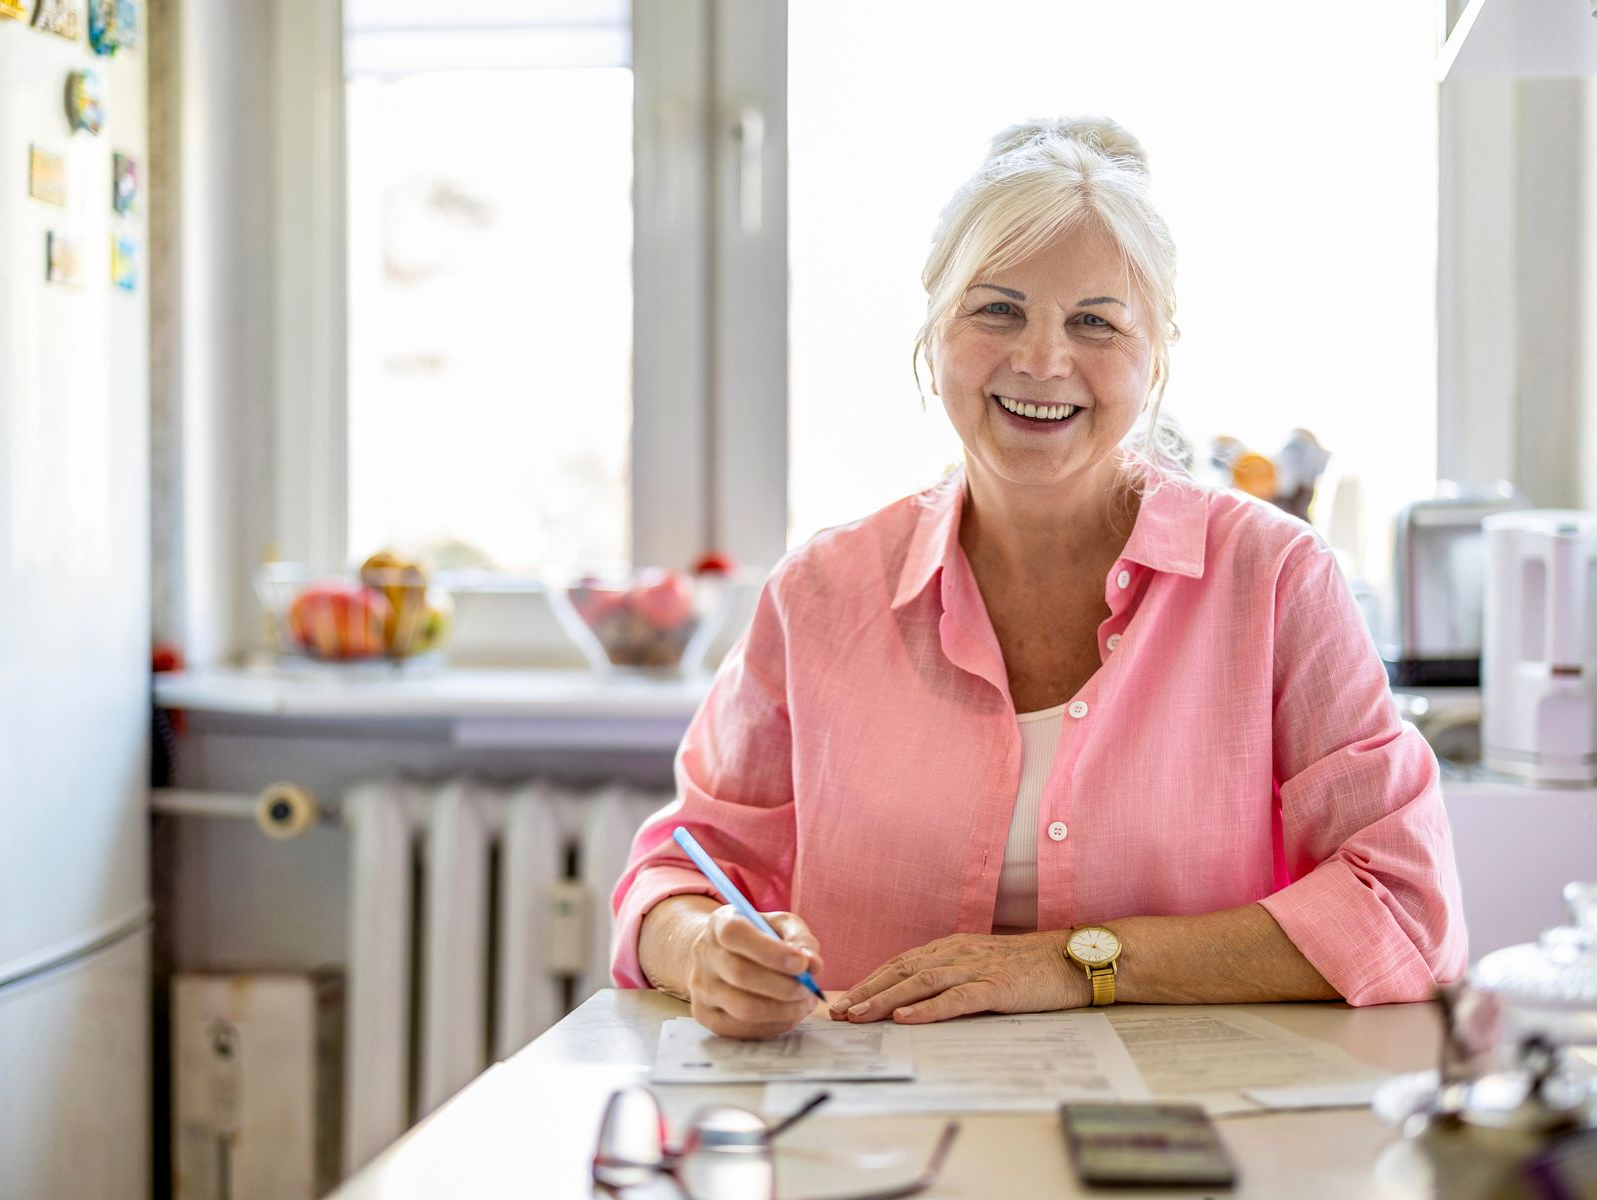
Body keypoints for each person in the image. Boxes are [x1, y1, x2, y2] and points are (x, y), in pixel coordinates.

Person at [610, 118, 1466, 1040]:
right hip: (878, 1135)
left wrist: (1074, 963)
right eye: (997, 309)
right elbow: (678, 875)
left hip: (1176, 1137)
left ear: (1156, 354)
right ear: (935, 325)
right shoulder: (820, 593)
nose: (1041, 361)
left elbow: (1405, 908)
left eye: (1094, 322)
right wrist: (707, 952)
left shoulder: (1274, 578)